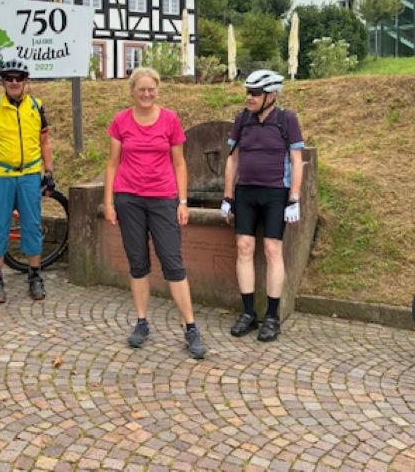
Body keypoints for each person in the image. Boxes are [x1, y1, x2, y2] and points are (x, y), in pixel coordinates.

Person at [104, 67, 207, 360]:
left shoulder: (170, 119)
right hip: (129, 198)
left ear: (157, 90)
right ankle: (141, 322)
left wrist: (183, 202)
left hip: (163, 198)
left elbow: (180, 164)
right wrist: (109, 202)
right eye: (141, 89)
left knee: (172, 262)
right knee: (137, 262)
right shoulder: (121, 121)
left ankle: (190, 327)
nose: (147, 94)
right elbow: (112, 164)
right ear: (132, 92)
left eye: (151, 89)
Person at [222, 69, 304, 342]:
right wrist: (227, 196)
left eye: (255, 93)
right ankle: (248, 313)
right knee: (244, 247)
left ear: (271, 95)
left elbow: (297, 161)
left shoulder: (286, 119)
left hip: (275, 193)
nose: (249, 97)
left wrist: (294, 199)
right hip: (246, 192)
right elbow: (233, 159)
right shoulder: (242, 119)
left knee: (272, 249)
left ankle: (271, 316)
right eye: (248, 92)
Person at [0, 59, 55, 303]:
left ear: (25, 81)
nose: (14, 82)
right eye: (9, 78)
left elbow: (45, 141)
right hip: (1, 176)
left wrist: (49, 172)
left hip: (30, 175)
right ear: (2, 81)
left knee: (32, 225)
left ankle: (35, 274)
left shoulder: (36, 106)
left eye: (18, 78)